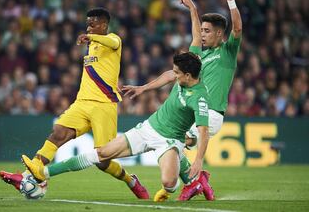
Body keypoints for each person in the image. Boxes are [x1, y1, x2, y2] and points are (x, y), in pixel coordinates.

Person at [0, 7, 149, 199]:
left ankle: (131, 181)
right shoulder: (92, 45)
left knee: (103, 160)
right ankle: (31, 174)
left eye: (93, 23)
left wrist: (92, 37)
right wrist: (91, 39)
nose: (89, 27)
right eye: (87, 23)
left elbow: (111, 41)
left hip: (104, 105)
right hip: (82, 102)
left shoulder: (113, 40)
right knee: (58, 132)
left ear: (104, 25)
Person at [22, 51, 210, 202]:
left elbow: (203, 131)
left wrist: (199, 160)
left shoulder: (199, 98)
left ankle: (181, 168)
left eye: (177, 73)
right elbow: (168, 75)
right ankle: (44, 172)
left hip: (169, 141)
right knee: (102, 154)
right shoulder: (183, 76)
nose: (174, 75)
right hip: (148, 129)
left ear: (188, 75)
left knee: (169, 183)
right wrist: (143, 88)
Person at [122, 0, 242, 201]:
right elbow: (181, 58)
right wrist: (193, 11)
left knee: (177, 140)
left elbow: (237, 29)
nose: (203, 34)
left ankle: (194, 181)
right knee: (175, 139)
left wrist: (231, 1)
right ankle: (200, 182)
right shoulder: (196, 57)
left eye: (208, 31)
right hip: (193, 113)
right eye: (203, 30)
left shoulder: (227, 52)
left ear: (219, 34)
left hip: (212, 113)